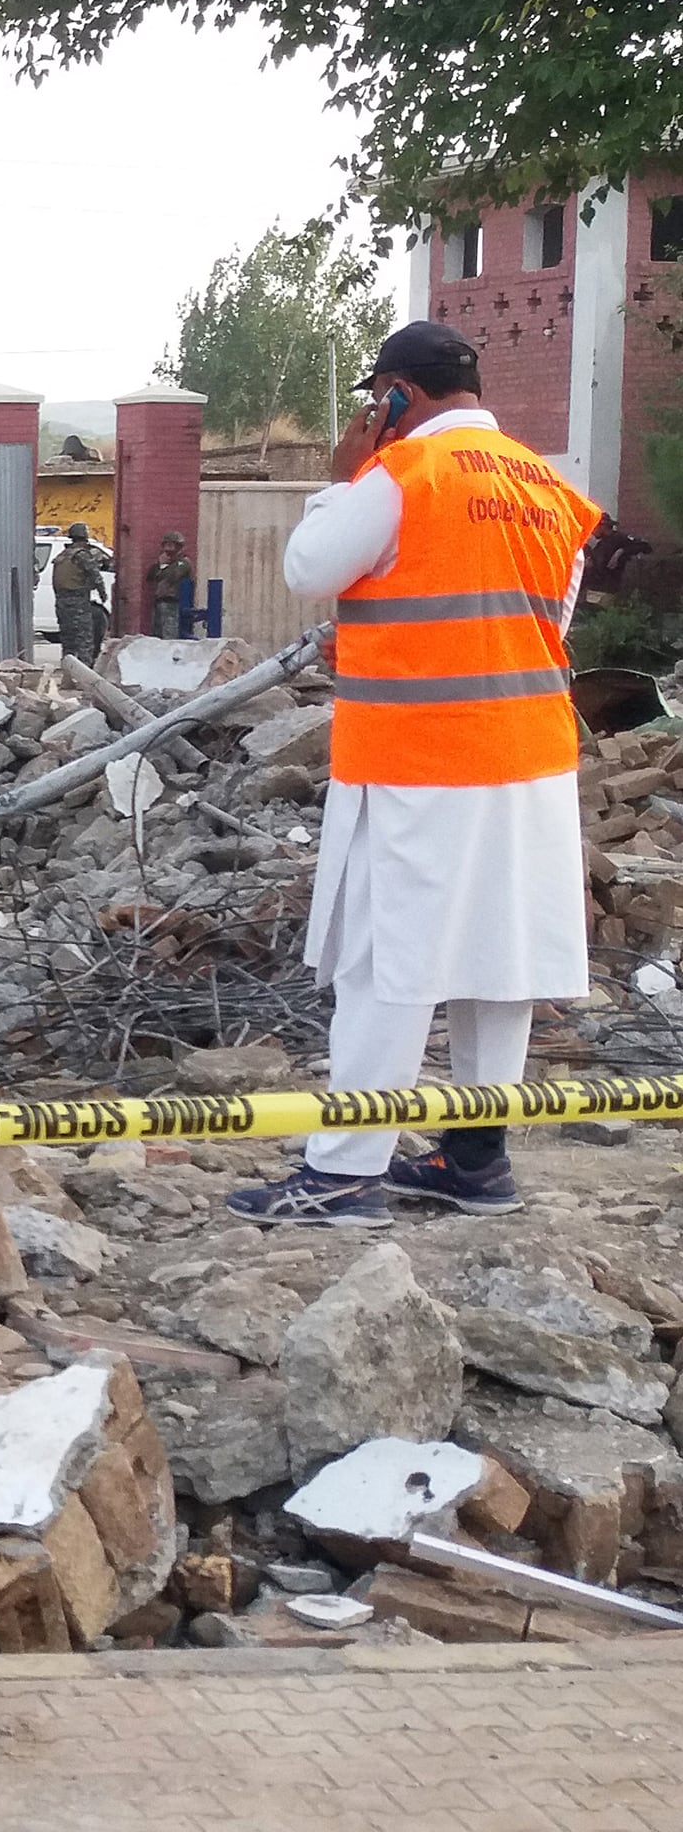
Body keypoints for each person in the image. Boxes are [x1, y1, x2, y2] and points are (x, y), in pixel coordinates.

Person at [228, 321, 600, 1226]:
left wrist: (341, 475)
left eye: (377, 399)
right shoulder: (551, 487)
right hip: (532, 759)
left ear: (397, 393)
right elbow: (552, 611)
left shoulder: (402, 475)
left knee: (384, 966)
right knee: (500, 964)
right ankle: (477, 1160)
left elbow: (310, 566)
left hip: (421, 761)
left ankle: (345, 1173)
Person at [49, 520, 111, 662]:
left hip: (61, 603)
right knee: (84, 641)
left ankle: (68, 672)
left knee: (68, 641)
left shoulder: (63, 555)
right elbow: (95, 575)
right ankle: (85, 673)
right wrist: (103, 594)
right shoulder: (82, 555)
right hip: (79, 603)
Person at [145, 530, 195, 639]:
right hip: (159, 601)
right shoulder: (164, 562)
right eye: (166, 545)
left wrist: (163, 566)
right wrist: (158, 565)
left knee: (169, 634)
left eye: (171, 545)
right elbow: (150, 576)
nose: (167, 549)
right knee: (157, 634)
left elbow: (172, 577)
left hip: (173, 602)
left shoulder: (183, 563)